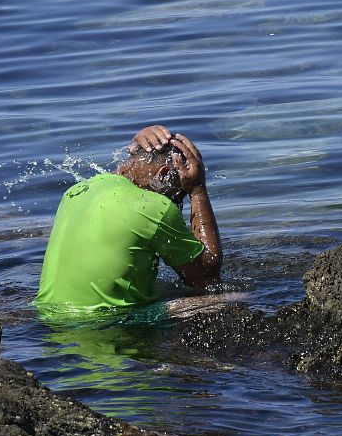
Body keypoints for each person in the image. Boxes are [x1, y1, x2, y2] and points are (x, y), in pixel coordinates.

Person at [35, 125, 222, 310]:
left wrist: (136, 144)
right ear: (163, 174)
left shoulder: (76, 191)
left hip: (49, 316)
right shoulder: (153, 207)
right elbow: (205, 276)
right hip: (105, 325)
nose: (176, 203)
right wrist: (197, 190)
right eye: (180, 195)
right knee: (225, 298)